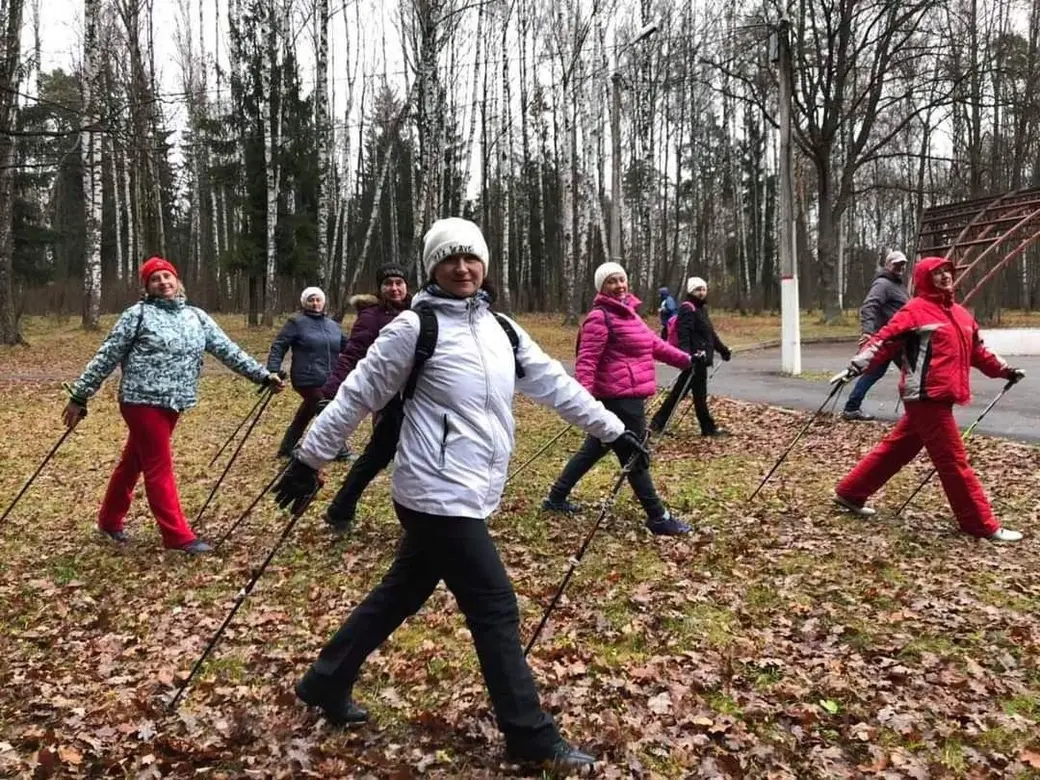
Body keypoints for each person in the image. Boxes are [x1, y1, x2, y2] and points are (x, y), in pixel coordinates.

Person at [272, 218, 647, 773]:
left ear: (485, 264)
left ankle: (325, 681)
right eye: (450, 259)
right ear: (433, 267)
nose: (463, 267)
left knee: (402, 591)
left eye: (471, 257)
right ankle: (531, 736)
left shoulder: (501, 328)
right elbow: (355, 395)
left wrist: (615, 431)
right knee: (495, 607)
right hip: (432, 491)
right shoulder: (412, 328)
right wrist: (308, 458)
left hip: (471, 489)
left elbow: (555, 383)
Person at [61, 256, 284, 554]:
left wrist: (262, 376)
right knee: (158, 465)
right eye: (156, 279)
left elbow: (228, 350)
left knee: (134, 462)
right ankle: (177, 536)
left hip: (174, 403)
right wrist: (80, 395)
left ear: (177, 281)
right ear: (147, 287)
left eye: (168, 277)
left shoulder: (196, 316)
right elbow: (107, 356)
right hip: (141, 401)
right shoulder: (136, 315)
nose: (163, 282)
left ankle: (109, 520)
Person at [832, 256, 1025, 543]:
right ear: (925, 279)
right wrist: (854, 368)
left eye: (948, 272)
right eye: (937, 274)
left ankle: (850, 492)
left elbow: (978, 352)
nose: (945, 277)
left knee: (897, 449)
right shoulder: (915, 311)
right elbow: (884, 340)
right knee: (954, 462)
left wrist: (1005, 371)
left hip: (940, 397)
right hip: (924, 397)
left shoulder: (960, 314)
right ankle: (980, 524)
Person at [542, 261, 694, 536]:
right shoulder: (600, 317)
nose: (619, 285)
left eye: (621, 279)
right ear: (602, 287)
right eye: (611, 281)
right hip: (617, 400)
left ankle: (555, 497)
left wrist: (685, 360)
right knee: (634, 454)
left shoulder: (629, 314)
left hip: (630, 397)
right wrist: (583, 401)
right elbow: (587, 361)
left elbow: (654, 344)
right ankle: (658, 516)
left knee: (594, 450)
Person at [319, 264, 412, 533]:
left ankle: (341, 509)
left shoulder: (418, 311)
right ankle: (341, 509)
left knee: (391, 455)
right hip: (391, 400)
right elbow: (352, 354)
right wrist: (329, 392)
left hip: (419, 397)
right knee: (379, 455)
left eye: (399, 282)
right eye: (388, 284)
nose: (394, 288)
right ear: (380, 288)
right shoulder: (371, 317)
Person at [266, 286, 346, 458]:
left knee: (307, 411)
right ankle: (339, 449)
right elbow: (279, 345)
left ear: (323, 302)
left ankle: (287, 447)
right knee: (327, 409)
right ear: (304, 303)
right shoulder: (296, 323)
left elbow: (349, 347)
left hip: (329, 378)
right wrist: (273, 369)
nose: (315, 303)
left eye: (318, 299)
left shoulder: (333, 326)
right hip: (306, 378)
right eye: (311, 300)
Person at [650, 276, 731, 437]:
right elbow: (683, 334)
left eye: (703, 289)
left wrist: (722, 350)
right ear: (691, 291)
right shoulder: (688, 308)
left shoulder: (701, 309)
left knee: (688, 393)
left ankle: (659, 422)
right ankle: (706, 428)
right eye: (697, 290)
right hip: (694, 360)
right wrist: (687, 356)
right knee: (690, 394)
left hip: (700, 360)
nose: (701, 293)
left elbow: (710, 334)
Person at [842, 249, 911, 421]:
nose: (900, 268)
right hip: (889, 338)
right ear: (888, 265)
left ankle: (851, 408)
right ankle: (916, 413)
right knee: (911, 372)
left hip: (898, 337)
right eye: (896, 264)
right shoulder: (883, 284)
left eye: (902, 264)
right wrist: (868, 331)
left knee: (876, 372)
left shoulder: (898, 285)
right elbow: (868, 307)